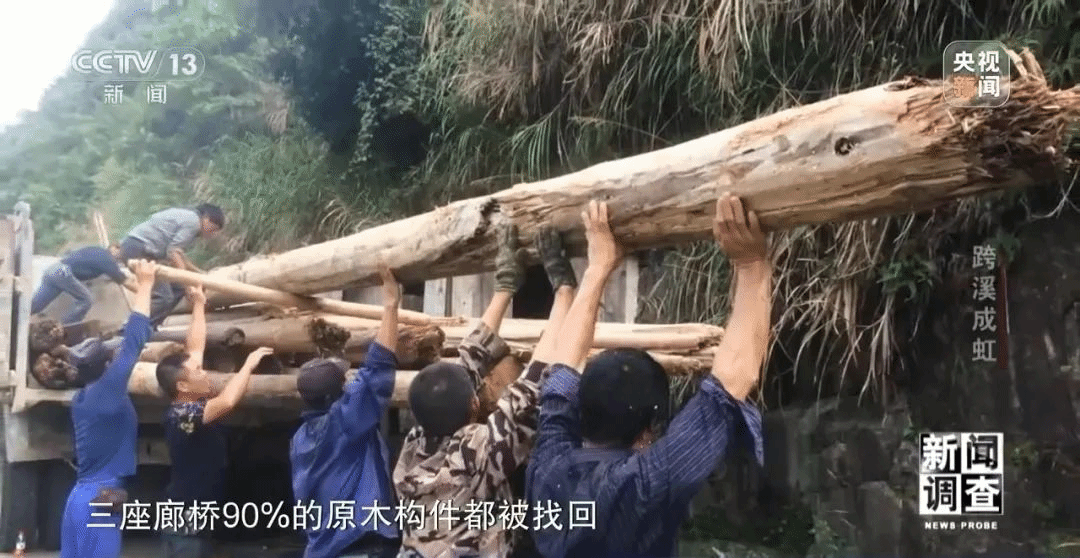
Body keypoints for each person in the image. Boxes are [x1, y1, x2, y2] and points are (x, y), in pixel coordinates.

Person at [526, 194, 772, 557]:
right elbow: (731, 384)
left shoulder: (549, 466)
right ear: (647, 433)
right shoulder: (643, 486)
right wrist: (751, 265)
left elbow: (562, 368)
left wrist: (598, 268)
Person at [393, 223, 579, 558]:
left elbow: (468, 362)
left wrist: (505, 284)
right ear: (474, 404)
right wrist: (565, 290)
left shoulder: (413, 450)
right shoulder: (476, 457)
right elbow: (531, 386)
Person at [290, 263, 403, 558]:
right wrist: (390, 306)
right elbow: (377, 368)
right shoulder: (345, 421)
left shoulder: (300, 439)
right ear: (338, 394)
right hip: (357, 547)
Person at [154, 283, 274, 558]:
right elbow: (227, 402)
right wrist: (248, 365)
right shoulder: (183, 415)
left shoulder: (185, 402)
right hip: (185, 520)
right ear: (183, 386)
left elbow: (195, 348)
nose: (204, 372)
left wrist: (199, 304)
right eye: (198, 372)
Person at [59, 259, 157, 558]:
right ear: (105, 367)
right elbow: (134, 341)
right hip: (100, 499)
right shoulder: (107, 391)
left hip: (79, 498)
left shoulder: (83, 397)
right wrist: (146, 284)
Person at [119, 204, 225, 326]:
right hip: (139, 249)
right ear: (206, 219)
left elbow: (180, 257)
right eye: (213, 229)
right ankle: (130, 328)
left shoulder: (189, 218)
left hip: (139, 249)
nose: (213, 234)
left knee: (178, 288)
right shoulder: (193, 223)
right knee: (164, 297)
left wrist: (199, 273)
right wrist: (188, 285)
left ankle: (150, 326)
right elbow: (173, 253)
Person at [31, 244, 138, 325]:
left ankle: (19, 315)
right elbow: (125, 281)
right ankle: (65, 328)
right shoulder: (107, 258)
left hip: (53, 270)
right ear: (113, 247)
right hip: (63, 273)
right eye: (119, 251)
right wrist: (143, 290)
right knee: (86, 300)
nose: (120, 257)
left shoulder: (96, 250)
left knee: (34, 307)